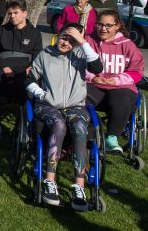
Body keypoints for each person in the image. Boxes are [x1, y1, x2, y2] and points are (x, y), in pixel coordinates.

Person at [24, 23, 103, 211]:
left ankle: (79, 186)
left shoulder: (81, 55)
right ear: (58, 35)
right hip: (48, 105)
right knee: (59, 125)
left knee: (79, 127)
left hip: (75, 106)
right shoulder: (45, 54)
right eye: (64, 37)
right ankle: (49, 180)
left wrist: (82, 41)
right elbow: (29, 79)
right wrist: (40, 94)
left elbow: (98, 67)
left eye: (71, 40)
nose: (66, 42)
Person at [85, 10, 145, 153]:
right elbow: (77, 65)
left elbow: (136, 71)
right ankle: (87, 136)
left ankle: (112, 138)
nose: (103, 28)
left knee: (123, 99)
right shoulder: (88, 41)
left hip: (120, 87)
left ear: (117, 26)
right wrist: (92, 77)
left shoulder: (127, 45)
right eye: (100, 24)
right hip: (94, 84)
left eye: (108, 25)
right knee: (78, 96)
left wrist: (116, 80)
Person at [0, 0, 43, 140]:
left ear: (25, 13)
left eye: (16, 13)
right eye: (10, 13)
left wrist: (32, 67)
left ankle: (24, 126)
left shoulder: (34, 33)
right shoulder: (2, 30)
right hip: (3, 65)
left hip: (24, 68)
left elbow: (38, 54)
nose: (12, 16)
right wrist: (3, 65)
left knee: (28, 83)